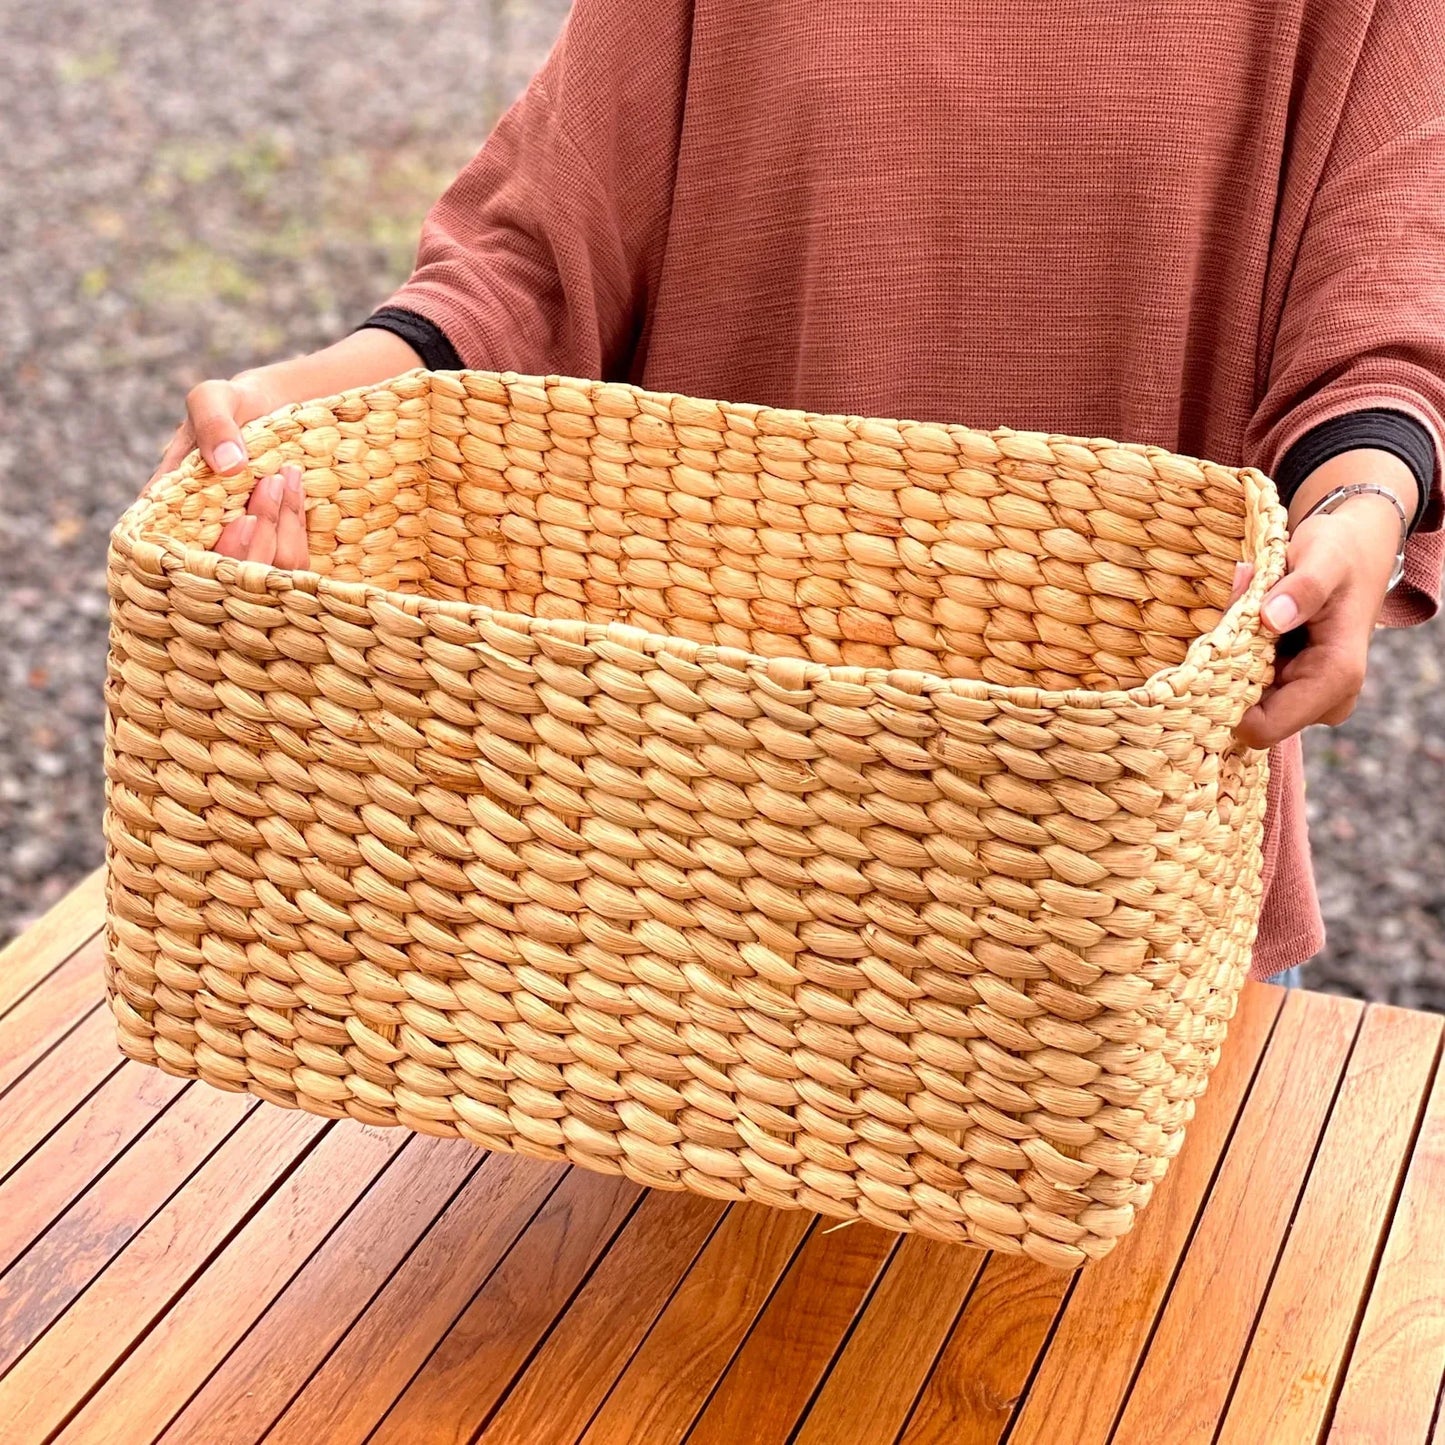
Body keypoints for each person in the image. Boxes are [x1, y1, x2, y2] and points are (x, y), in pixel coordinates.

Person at [146, 0, 1445, 987]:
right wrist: (332, 393)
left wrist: (1357, 508)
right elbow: (540, 251)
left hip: (1120, 901)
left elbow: (1391, 278)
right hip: (697, 893)